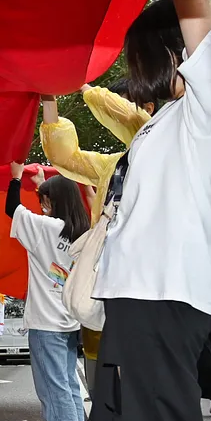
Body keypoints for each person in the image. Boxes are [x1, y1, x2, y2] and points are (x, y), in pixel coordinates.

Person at [89, 0, 211, 421]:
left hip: (161, 300)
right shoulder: (167, 123)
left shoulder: (206, 113)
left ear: (175, 53)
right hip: (137, 303)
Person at [38, 79, 152, 397]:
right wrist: (49, 94)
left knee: (144, 393)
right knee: (103, 385)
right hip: (106, 284)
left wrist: (84, 87)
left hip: (149, 290)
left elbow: (132, 121)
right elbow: (64, 155)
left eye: (129, 104)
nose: (118, 115)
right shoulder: (109, 165)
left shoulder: (166, 151)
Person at [7, 164, 90, 421]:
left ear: (54, 203)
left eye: (45, 201)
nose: (41, 206)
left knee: (54, 391)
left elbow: (11, 209)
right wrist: (43, 185)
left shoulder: (45, 229)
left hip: (45, 323)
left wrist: (16, 178)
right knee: (67, 387)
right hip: (68, 322)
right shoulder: (81, 232)